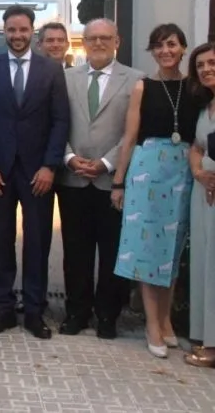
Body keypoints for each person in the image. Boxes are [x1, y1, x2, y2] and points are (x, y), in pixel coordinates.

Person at [0, 5, 69, 340]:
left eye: (23, 30)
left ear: (33, 31)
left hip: (37, 172)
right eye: (11, 30)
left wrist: (49, 165)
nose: (17, 36)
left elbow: (60, 121)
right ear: (5, 31)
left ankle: (33, 310)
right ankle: (2, 308)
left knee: (37, 242)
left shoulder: (51, 70)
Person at [112, 24, 201, 358]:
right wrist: (119, 180)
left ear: (183, 49)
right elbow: (130, 137)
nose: (166, 51)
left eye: (173, 44)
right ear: (152, 50)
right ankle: (152, 324)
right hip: (148, 170)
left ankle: (166, 321)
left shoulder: (195, 88)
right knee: (149, 248)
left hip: (184, 170)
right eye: (159, 46)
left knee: (174, 247)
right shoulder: (142, 87)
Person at [57, 19, 141, 339]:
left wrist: (107, 163)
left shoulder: (136, 80)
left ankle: (108, 315)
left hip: (111, 181)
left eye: (106, 37)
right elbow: (57, 123)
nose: (99, 43)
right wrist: (68, 157)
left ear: (116, 40)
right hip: (73, 178)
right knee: (75, 251)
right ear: (84, 42)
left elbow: (133, 132)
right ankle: (77, 312)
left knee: (111, 251)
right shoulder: (65, 79)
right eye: (92, 38)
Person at [187, 42, 215, 368]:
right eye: (201, 65)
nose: (206, 69)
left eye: (211, 63)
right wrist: (199, 172)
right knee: (204, 264)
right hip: (203, 193)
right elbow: (196, 146)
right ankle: (205, 336)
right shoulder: (205, 108)